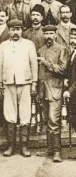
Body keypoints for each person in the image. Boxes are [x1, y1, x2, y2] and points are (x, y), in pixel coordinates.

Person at [0, 19, 38, 157]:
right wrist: (0, 83)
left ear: (22, 30)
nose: (15, 32)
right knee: (10, 114)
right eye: (13, 30)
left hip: (25, 83)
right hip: (8, 83)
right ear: (9, 31)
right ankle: (11, 146)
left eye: (18, 29)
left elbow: (34, 64)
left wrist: (34, 82)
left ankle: (24, 147)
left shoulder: (29, 45)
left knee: (25, 114)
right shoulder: (3, 46)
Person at [36, 25, 68, 163]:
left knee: (54, 121)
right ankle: (50, 149)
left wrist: (47, 63)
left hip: (55, 89)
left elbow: (62, 69)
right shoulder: (40, 50)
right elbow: (39, 73)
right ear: (43, 35)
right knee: (46, 121)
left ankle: (57, 151)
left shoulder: (62, 49)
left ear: (56, 35)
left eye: (51, 33)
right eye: (46, 33)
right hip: (43, 91)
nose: (48, 36)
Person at [63, 28, 76, 135]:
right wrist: (67, 79)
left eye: (75, 38)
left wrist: (70, 91)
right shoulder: (73, 53)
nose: (73, 41)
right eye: (71, 38)